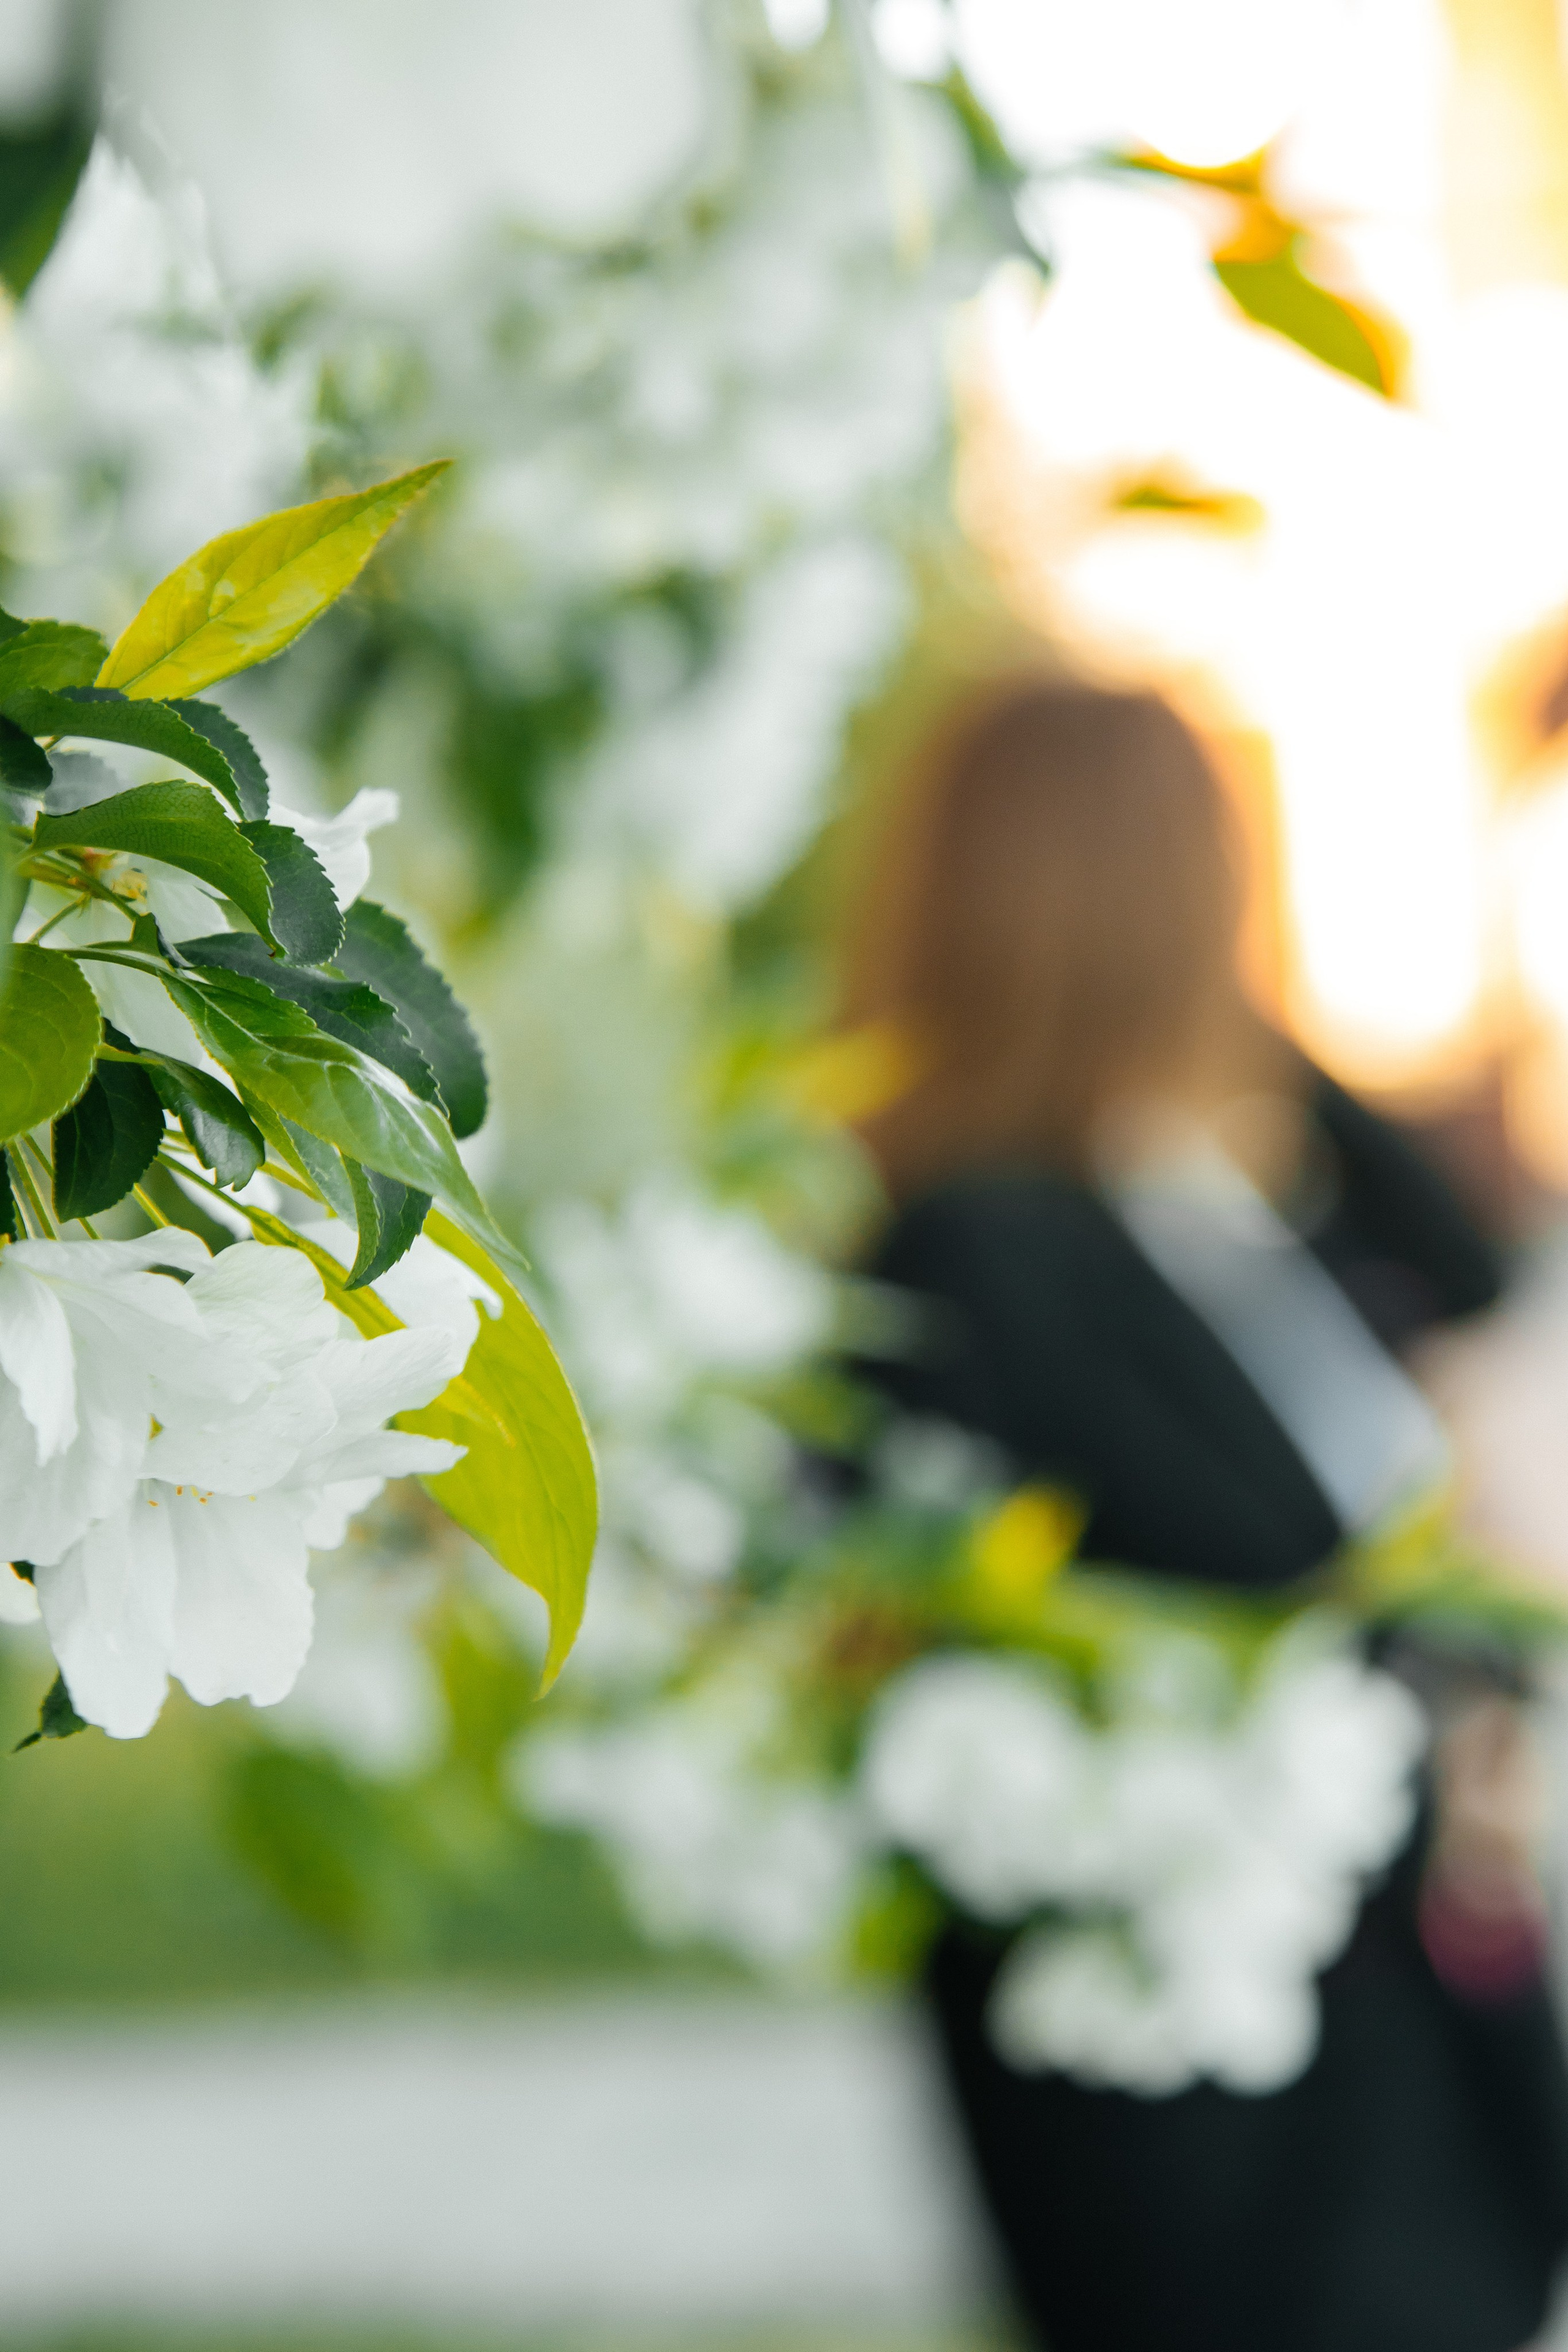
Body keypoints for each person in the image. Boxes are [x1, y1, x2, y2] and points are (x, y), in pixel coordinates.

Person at [846, 677, 1568, 2352]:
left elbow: (1459, 1272)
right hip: (1221, 2130)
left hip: (1406, 2068)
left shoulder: (1233, 1205)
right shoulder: (980, 1257)